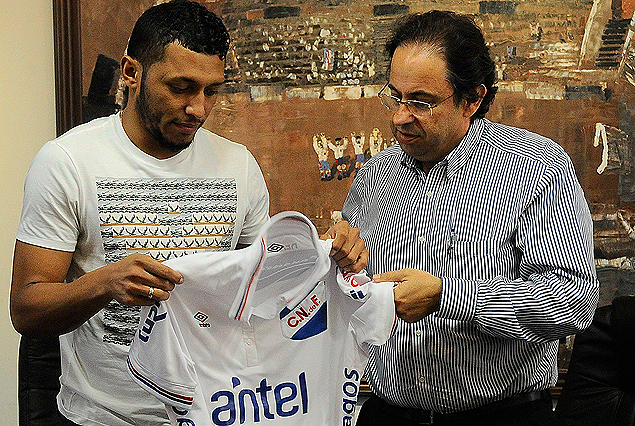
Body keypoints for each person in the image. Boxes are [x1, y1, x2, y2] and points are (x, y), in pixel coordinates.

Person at [10, 1, 367, 425]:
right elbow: (26, 309)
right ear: (131, 72)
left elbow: (267, 291)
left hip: (214, 410)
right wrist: (103, 283)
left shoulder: (238, 166)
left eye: (211, 90)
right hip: (104, 416)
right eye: (180, 87)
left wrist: (327, 255)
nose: (198, 108)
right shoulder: (67, 162)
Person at [342, 10, 599, 426]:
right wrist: (343, 258)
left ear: (473, 98)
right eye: (395, 96)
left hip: (501, 415)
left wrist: (450, 297)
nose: (399, 116)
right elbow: (356, 281)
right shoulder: (377, 172)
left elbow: (574, 301)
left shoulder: (536, 166)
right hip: (388, 413)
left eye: (421, 102)